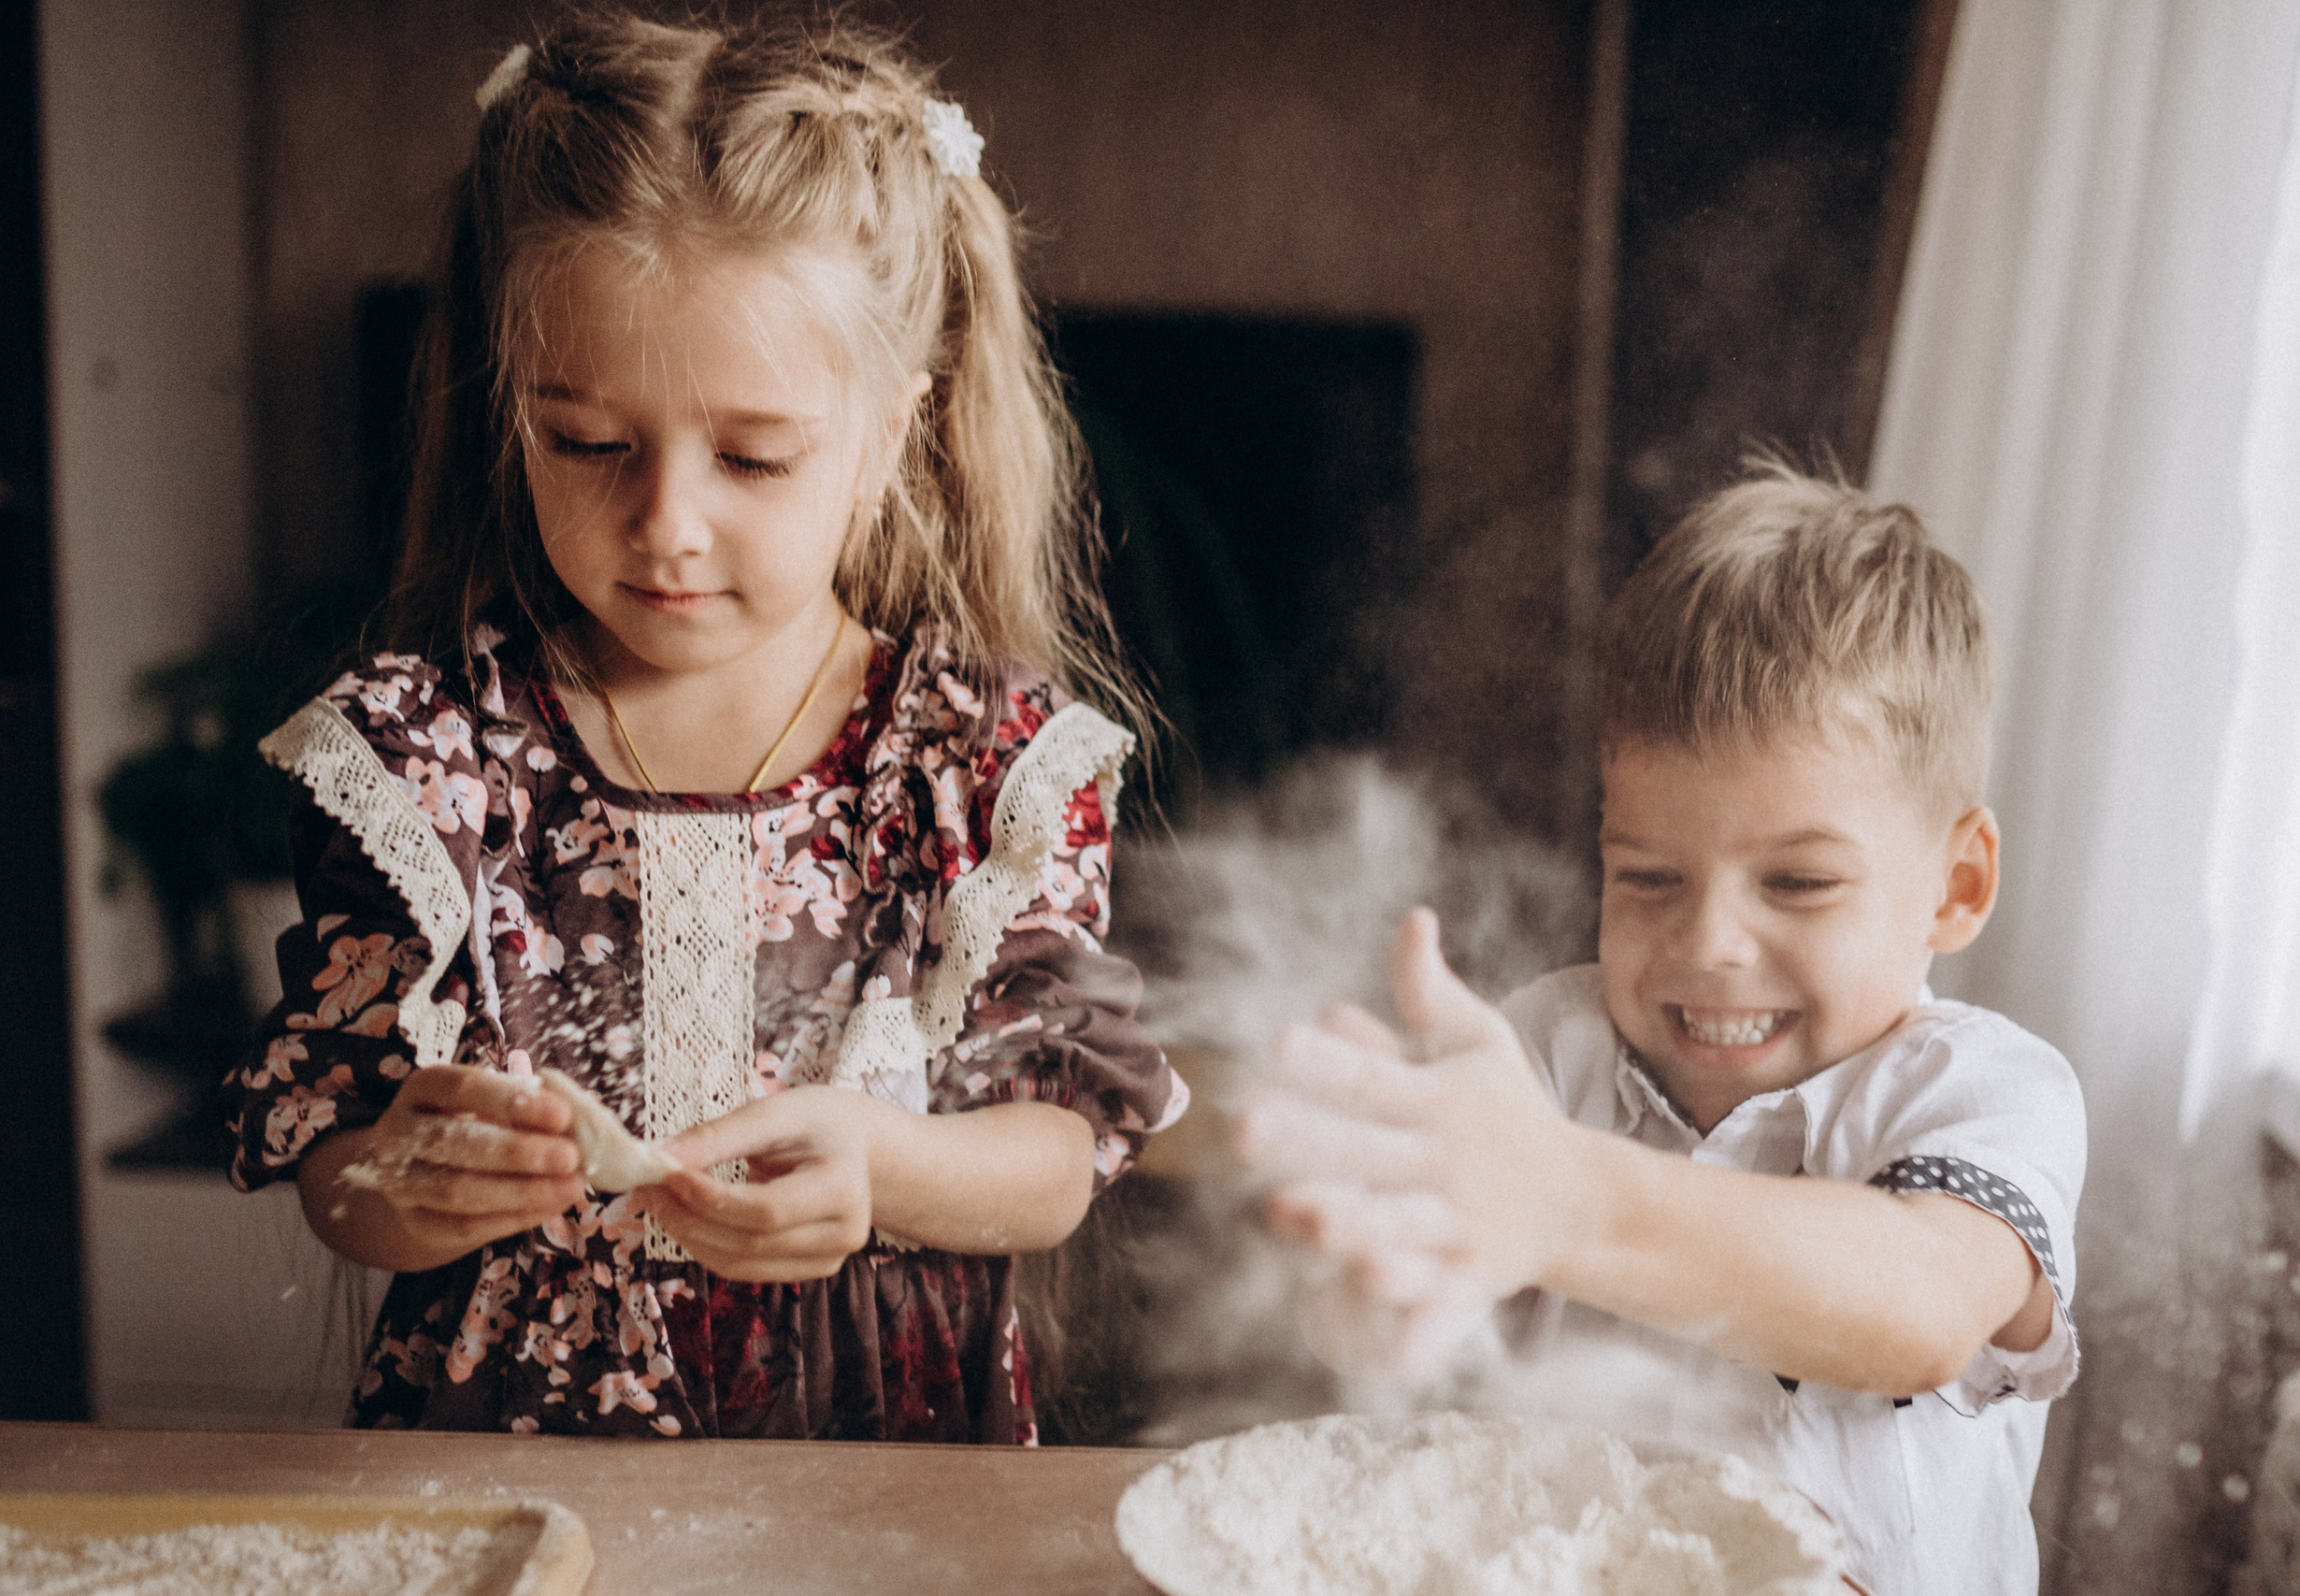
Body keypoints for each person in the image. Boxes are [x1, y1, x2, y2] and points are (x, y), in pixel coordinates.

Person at [223, 11, 1186, 1445]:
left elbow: (1061, 1144)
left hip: (873, 1487)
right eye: (587, 442)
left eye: (752, 455)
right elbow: (334, 1150)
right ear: (510, 408)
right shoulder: (432, 763)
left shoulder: (975, 769)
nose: (667, 524)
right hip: (518, 1461)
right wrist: (400, 1188)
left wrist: (884, 1163)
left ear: (886, 438)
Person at [1243, 465, 2084, 1595]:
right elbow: (1398, 1336)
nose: (1709, 942)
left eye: (1795, 883)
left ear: (1954, 882)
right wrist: (1373, 1287)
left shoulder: (1983, 1093)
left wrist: (1560, 1195)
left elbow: (1921, 1309)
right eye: (1646, 876)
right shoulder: (1547, 1049)